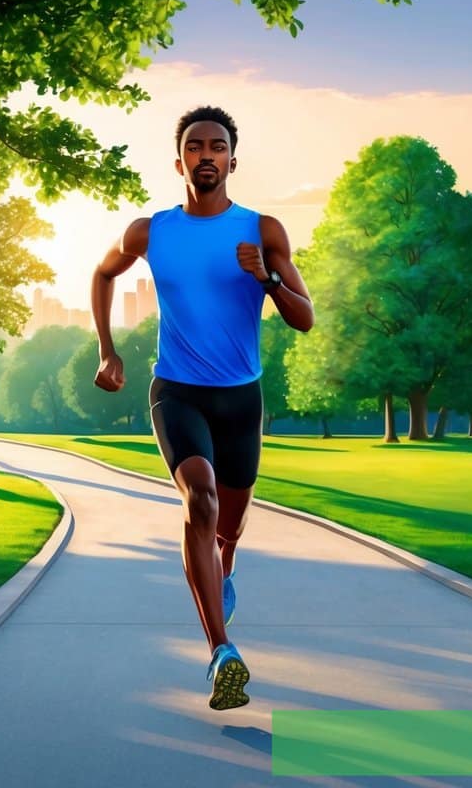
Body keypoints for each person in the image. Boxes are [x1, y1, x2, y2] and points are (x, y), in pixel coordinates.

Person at [92, 106, 314, 710]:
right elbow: (103, 273)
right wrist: (109, 351)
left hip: (242, 398)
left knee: (230, 526)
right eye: (196, 146)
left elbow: (305, 318)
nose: (206, 154)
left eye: (218, 145)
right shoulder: (150, 231)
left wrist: (268, 276)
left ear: (232, 161)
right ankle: (222, 653)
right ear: (180, 161)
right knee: (202, 500)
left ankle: (225, 565)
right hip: (177, 391)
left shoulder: (262, 230)